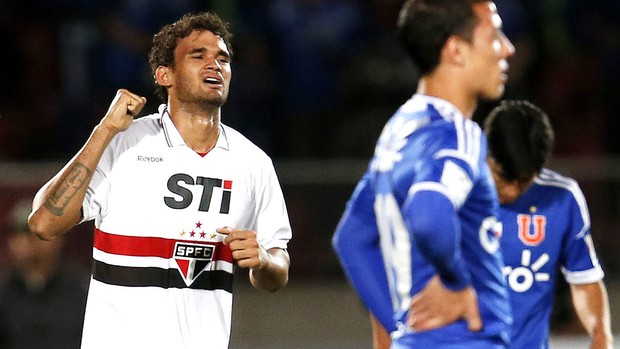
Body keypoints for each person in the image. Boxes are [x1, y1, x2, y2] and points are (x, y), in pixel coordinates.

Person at [27, 12, 292, 349]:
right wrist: (104, 130)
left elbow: (276, 268)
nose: (215, 64)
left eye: (222, 58)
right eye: (199, 55)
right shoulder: (123, 142)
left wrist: (265, 261)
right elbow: (44, 224)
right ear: (165, 74)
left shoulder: (253, 162)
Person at [332, 0, 515, 348]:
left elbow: (352, 239)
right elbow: (429, 215)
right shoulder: (455, 133)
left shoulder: (396, 134)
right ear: (456, 50)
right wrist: (458, 284)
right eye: (494, 36)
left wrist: (402, 329)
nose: (507, 48)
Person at [484, 100, 613, 349]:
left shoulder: (562, 198)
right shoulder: (455, 193)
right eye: (502, 176)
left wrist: (600, 335)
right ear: (486, 153)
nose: (511, 190)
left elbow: (584, 279)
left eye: (522, 181)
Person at [0, 199, 89, 349]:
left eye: (32, 234)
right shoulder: (3, 292)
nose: (24, 242)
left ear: (57, 237)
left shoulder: (82, 288)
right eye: (18, 234)